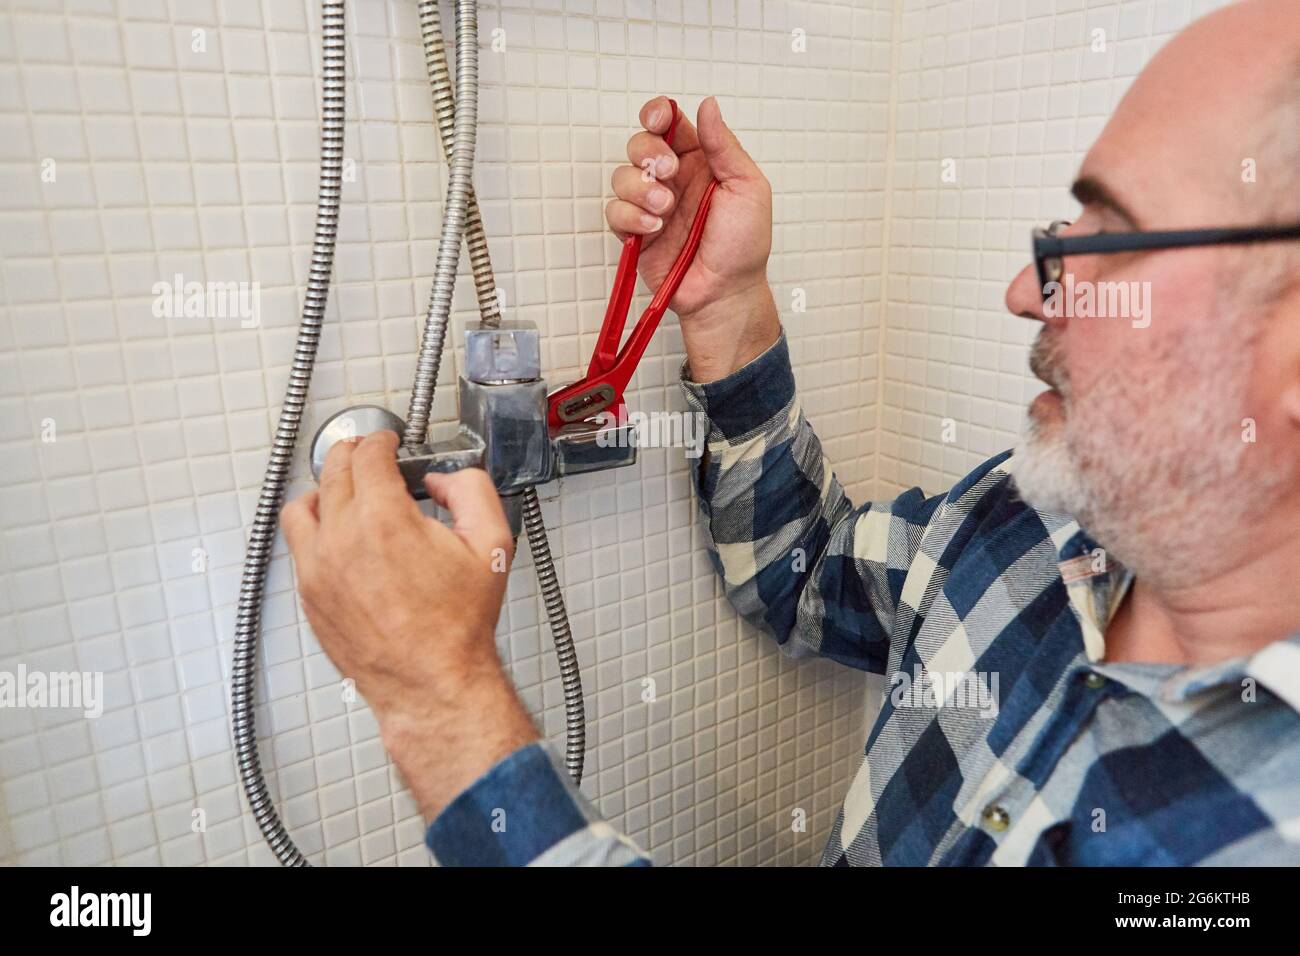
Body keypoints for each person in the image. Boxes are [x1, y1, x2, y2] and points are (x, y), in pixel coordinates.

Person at [281, 0, 1300, 865]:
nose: (1026, 293)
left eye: (1113, 241)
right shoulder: (1036, 518)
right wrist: (724, 302)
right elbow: (801, 572)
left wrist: (441, 701)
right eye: (1062, 237)